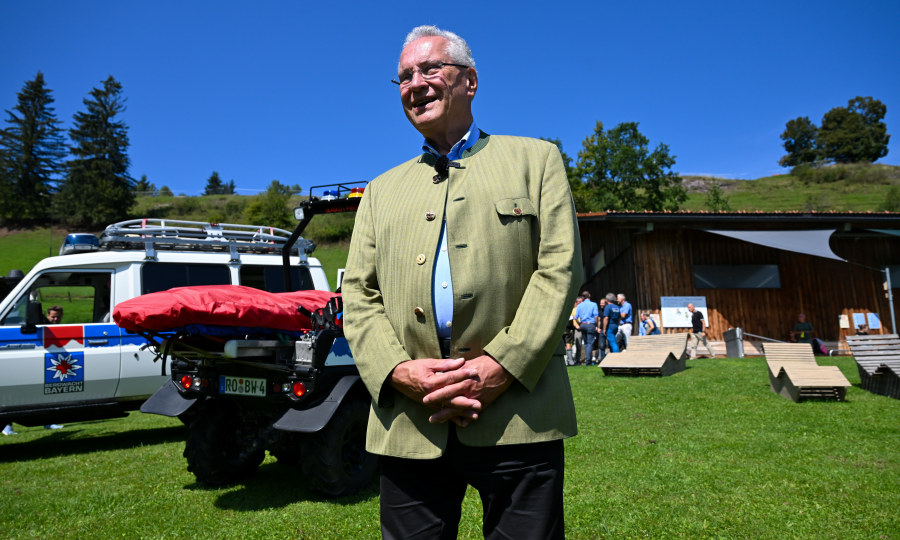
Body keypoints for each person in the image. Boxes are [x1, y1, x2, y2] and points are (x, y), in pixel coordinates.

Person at [342, 25, 582, 540]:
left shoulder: (537, 161)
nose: (415, 84)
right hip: (410, 422)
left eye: (430, 69)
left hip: (520, 415)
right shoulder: (381, 191)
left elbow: (560, 270)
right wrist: (401, 373)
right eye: (404, 76)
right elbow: (358, 296)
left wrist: (501, 367)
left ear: (469, 82)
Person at [574, 292, 600, 365]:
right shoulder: (594, 304)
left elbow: (575, 318)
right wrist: (596, 325)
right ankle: (588, 361)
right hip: (590, 324)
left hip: (583, 325)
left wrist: (580, 324)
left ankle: (588, 359)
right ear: (590, 296)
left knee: (585, 343)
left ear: (582, 297)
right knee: (590, 343)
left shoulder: (579, 306)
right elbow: (596, 316)